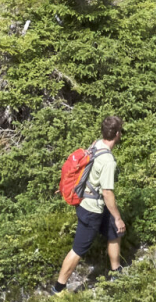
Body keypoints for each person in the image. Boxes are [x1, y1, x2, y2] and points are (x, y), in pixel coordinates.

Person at [53, 114, 125, 292]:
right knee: (78, 250)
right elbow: (107, 192)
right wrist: (118, 217)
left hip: (90, 202)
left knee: (115, 232)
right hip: (91, 209)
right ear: (117, 134)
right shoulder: (108, 161)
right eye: (120, 131)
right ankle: (58, 288)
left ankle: (116, 272)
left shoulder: (96, 144)